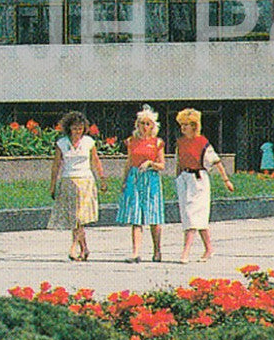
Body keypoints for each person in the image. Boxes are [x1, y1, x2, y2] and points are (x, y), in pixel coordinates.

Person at [174, 107, 235, 262]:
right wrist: (178, 179)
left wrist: (226, 180)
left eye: (186, 124)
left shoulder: (203, 143)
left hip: (199, 180)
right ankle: (209, 249)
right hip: (184, 179)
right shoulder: (180, 143)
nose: (183, 128)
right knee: (195, 217)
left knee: (192, 215)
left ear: (194, 126)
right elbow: (179, 162)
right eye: (182, 124)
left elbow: (216, 162)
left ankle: (185, 252)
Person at [48, 110, 108, 261]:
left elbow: (95, 161)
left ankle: (73, 247)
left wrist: (102, 179)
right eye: (74, 128)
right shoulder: (61, 144)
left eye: (80, 128)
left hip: (86, 181)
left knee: (79, 217)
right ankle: (84, 248)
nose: (77, 131)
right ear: (69, 128)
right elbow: (56, 165)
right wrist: (53, 185)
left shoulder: (88, 142)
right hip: (69, 180)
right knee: (75, 217)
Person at [116, 105, 166, 261]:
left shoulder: (157, 142)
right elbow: (129, 162)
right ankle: (136, 252)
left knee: (154, 216)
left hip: (151, 180)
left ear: (153, 125)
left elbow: (162, 165)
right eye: (141, 123)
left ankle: (157, 251)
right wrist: (124, 181)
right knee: (135, 216)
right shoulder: (132, 141)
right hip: (135, 178)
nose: (144, 127)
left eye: (148, 124)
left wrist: (151, 163)